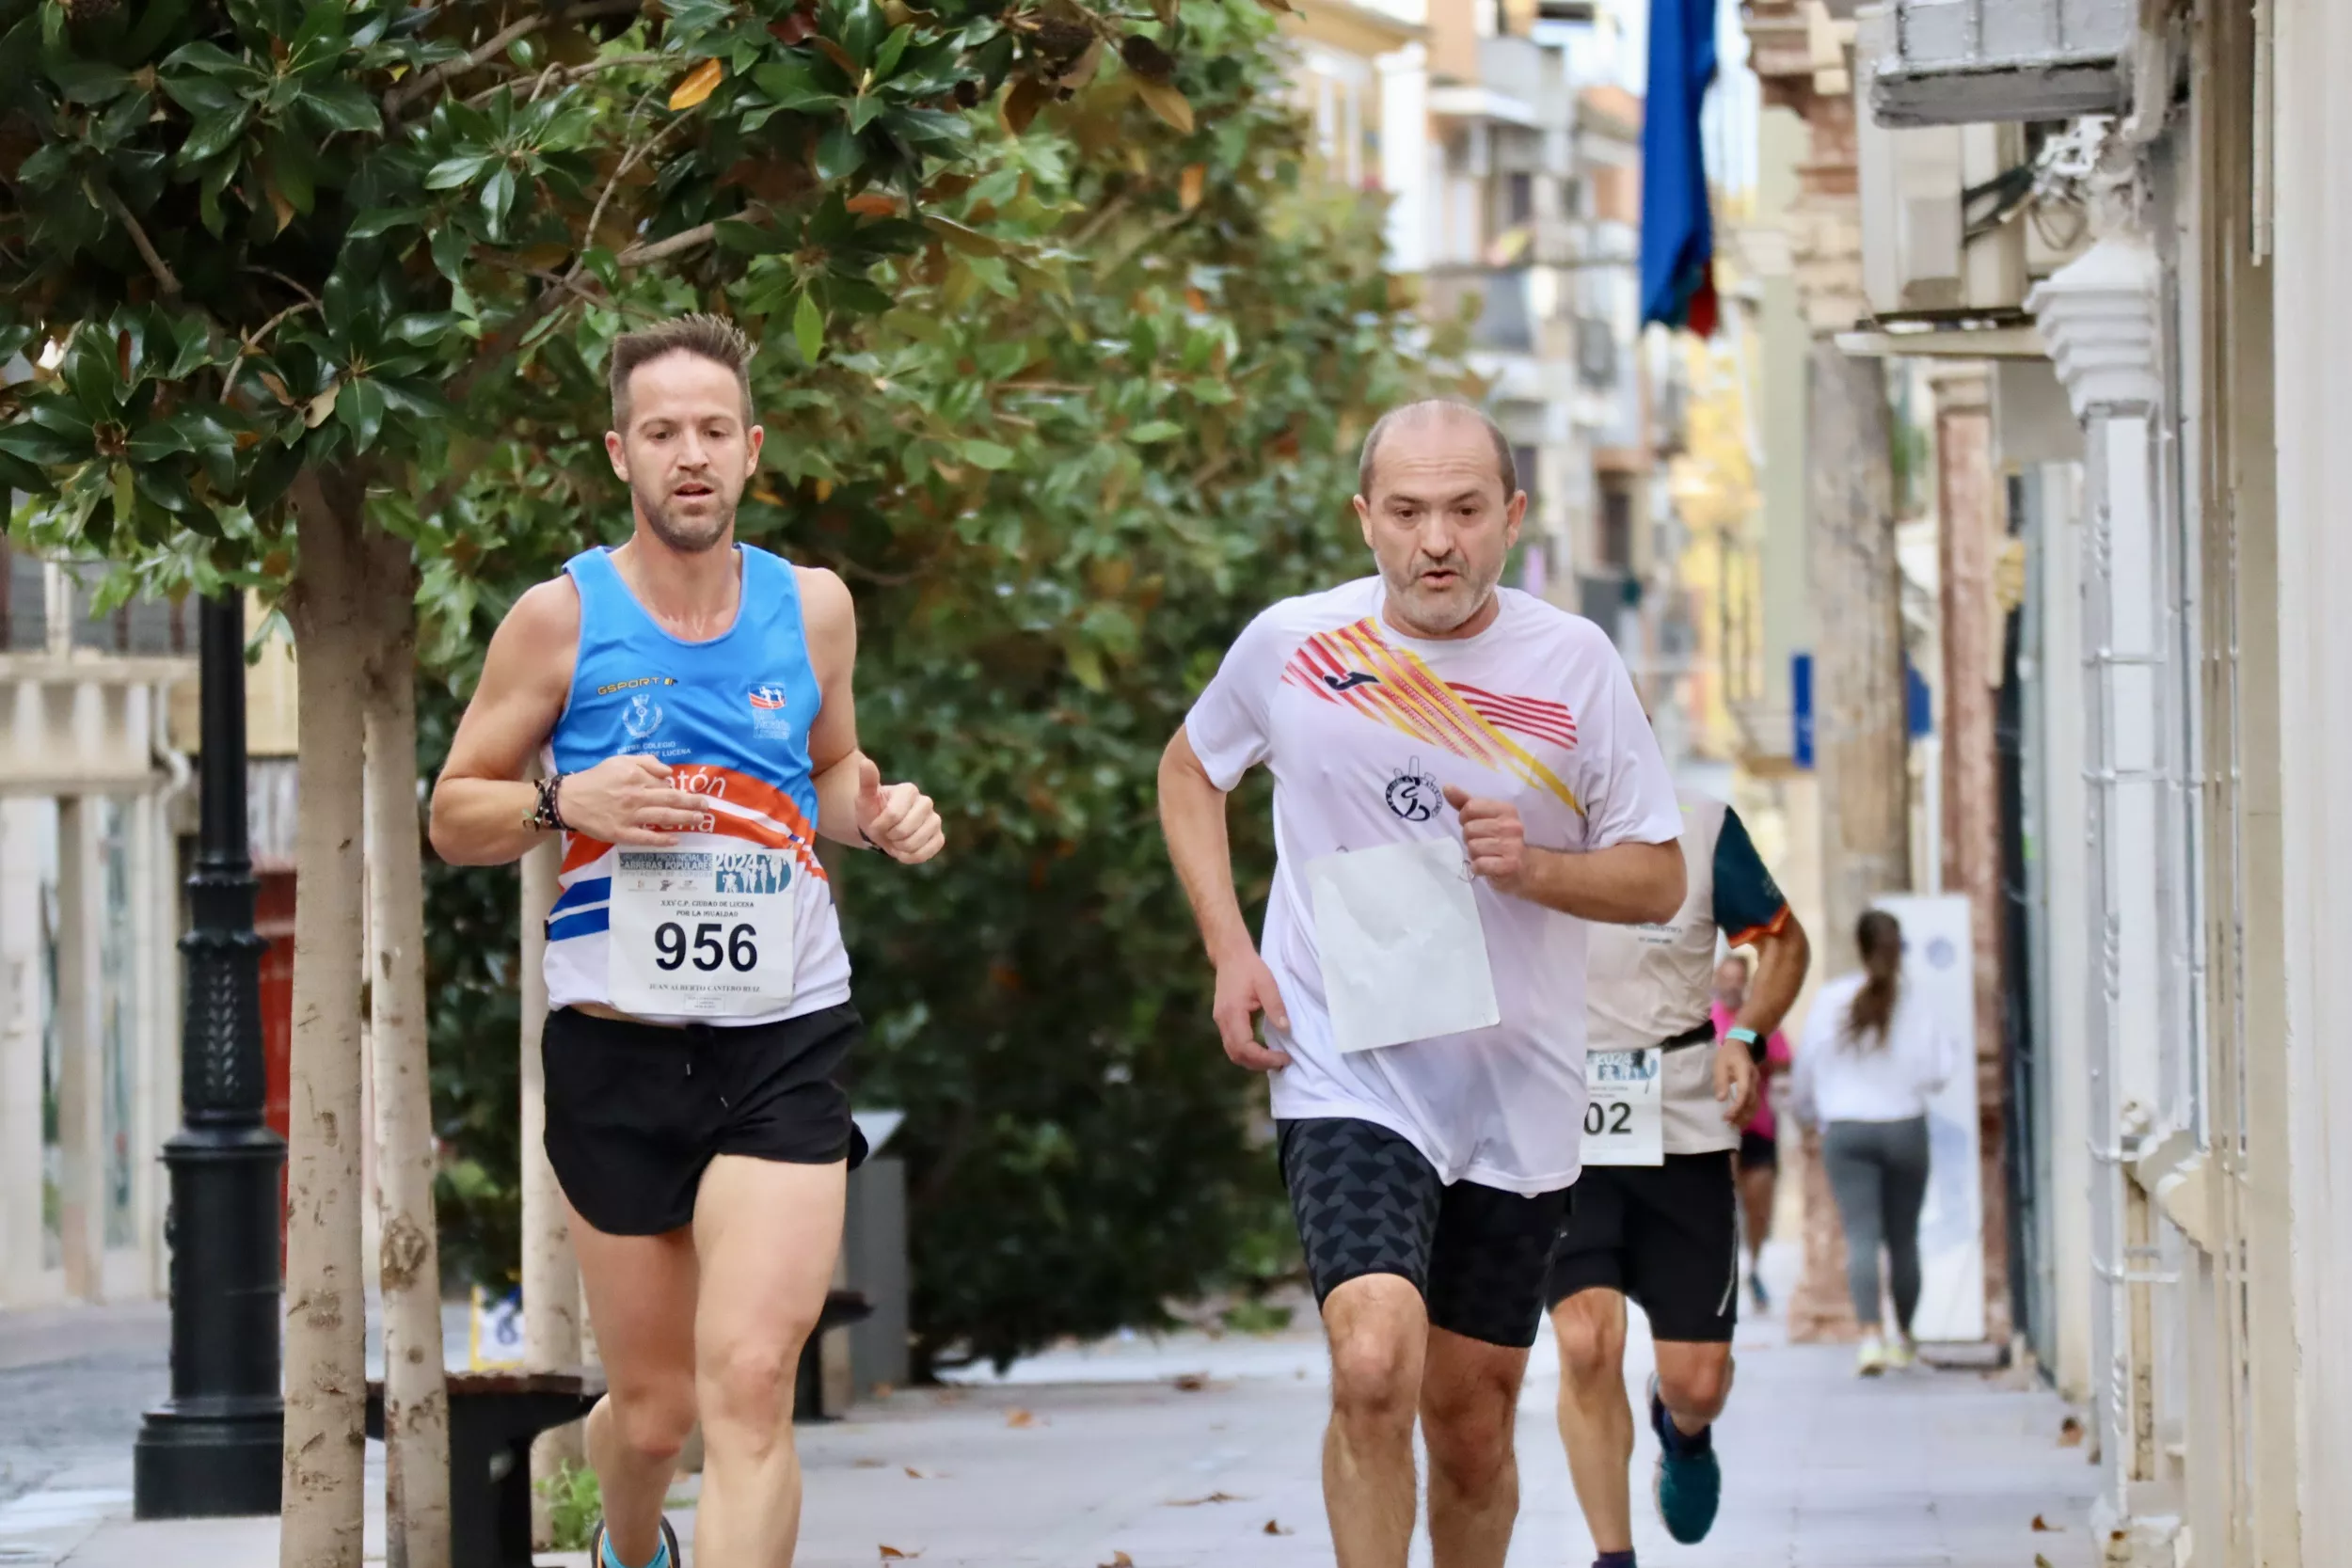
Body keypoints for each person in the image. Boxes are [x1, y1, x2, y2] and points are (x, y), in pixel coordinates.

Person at [428, 313, 945, 1568]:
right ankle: (627, 1543)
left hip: (783, 1034)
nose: (691, 454)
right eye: (663, 432)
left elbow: (824, 773)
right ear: (622, 454)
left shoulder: (813, 609)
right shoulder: (558, 620)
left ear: (753, 448)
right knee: (656, 1412)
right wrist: (565, 802)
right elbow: (454, 812)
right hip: (619, 1049)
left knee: (755, 1378)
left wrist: (880, 814)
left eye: (714, 429)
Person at [1157, 399, 1686, 1568]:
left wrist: (1536, 864)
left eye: (1461, 510)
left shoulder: (1573, 665)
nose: (1433, 540)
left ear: (1512, 518)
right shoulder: (1293, 644)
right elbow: (1192, 768)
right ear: (1364, 519)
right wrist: (1230, 950)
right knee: (1371, 1361)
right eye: (1404, 512)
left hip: (1514, 1089)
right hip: (1350, 1062)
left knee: (1470, 1427)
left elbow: (1656, 878)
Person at [1545, 790, 1809, 1565]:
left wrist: (1749, 1037)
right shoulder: (1515, 813)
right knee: (1588, 1342)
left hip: (1684, 1124)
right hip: (1562, 1127)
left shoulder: (1699, 825)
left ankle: (1683, 1431)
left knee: (1699, 1381)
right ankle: (1613, 1555)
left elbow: (1785, 941)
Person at [1790, 908, 1960, 1376]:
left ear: (1859, 948)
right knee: (1903, 1238)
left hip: (1846, 1130)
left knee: (1861, 1235)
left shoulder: (1830, 1000)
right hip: (1904, 1126)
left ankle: (1869, 1339)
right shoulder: (1915, 1000)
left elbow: (1806, 1070)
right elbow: (1940, 1071)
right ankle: (1903, 1337)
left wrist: (1806, 1115)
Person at [1714, 954, 1793, 1312]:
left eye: (1737, 979)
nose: (1731, 985)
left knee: (1759, 1201)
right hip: (1718, 1126)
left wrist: (1753, 1060)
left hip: (1759, 1123)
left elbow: (1785, 1058)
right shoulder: (1705, 1019)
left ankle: (1756, 1265)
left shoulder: (1759, 1020)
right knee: (1723, 1202)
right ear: (1716, 980)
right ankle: (1724, 1270)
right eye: (1725, 978)